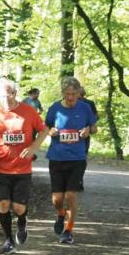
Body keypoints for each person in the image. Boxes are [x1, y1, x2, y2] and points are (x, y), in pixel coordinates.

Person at [0, 79, 48, 254]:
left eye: (8, 95)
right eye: (1, 96)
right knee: (3, 204)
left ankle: (22, 223)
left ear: (15, 93)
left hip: (22, 168)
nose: (5, 99)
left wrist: (33, 147)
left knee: (18, 208)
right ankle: (8, 241)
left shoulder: (29, 111)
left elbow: (44, 130)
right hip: (1, 167)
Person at [42, 76, 97, 245]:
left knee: (71, 194)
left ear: (79, 93)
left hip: (77, 158)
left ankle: (69, 230)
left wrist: (88, 130)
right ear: (63, 93)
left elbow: (94, 127)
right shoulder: (55, 108)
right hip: (57, 157)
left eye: (74, 94)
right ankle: (61, 214)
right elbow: (45, 127)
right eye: (67, 94)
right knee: (57, 199)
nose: (71, 97)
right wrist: (50, 132)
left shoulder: (85, 108)